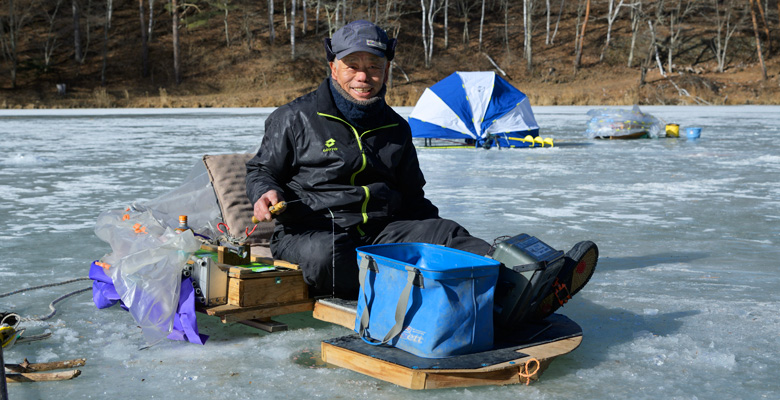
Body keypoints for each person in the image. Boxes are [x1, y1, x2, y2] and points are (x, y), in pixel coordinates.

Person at [245, 20, 491, 299]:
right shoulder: (293, 117)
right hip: (311, 233)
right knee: (330, 255)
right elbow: (261, 169)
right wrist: (264, 191)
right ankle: (407, 296)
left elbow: (413, 197)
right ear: (334, 69)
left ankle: (512, 282)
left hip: (381, 233)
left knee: (447, 235)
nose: (363, 76)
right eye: (352, 66)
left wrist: (436, 240)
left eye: (373, 66)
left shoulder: (396, 127)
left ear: (386, 71)